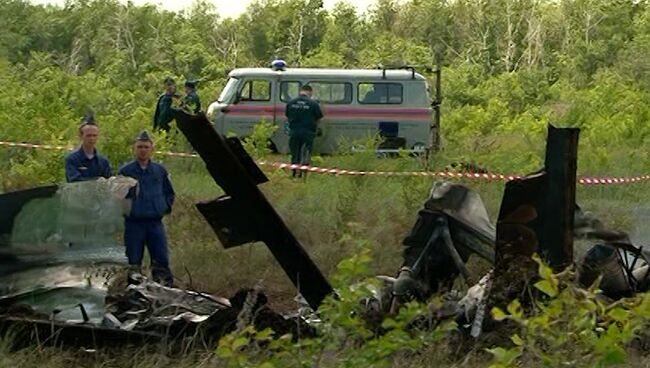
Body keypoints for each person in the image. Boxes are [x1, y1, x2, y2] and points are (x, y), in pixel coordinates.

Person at [118, 130, 176, 286]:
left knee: (161, 259)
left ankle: (164, 291)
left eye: (146, 147)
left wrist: (163, 208)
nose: (143, 150)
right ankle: (134, 295)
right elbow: (118, 196)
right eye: (140, 147)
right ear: (134, 149)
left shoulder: (159, 170)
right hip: (134, 224)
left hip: (155, 223)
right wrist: (128, 212)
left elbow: (169, 192)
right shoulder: (126, 171)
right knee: (134, 261)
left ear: (152, 149)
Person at [285, 85, 323, 178]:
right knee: (306, 153)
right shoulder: (313, 104)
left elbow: (287, 116)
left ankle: (294, 174)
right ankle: (303, 174)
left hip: (294, 132)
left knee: (295, 153)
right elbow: (318, 117)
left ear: (301, 91)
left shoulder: (290, 103)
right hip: (308, 132)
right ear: (310, 92)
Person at [64, 115, 112, 182]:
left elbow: (109, 182)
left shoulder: (103, 161)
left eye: (94, 135)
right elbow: (74, 180)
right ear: (81, 136)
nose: (92, 139)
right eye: (88, 136)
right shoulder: (72, 159)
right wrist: (96, 181)